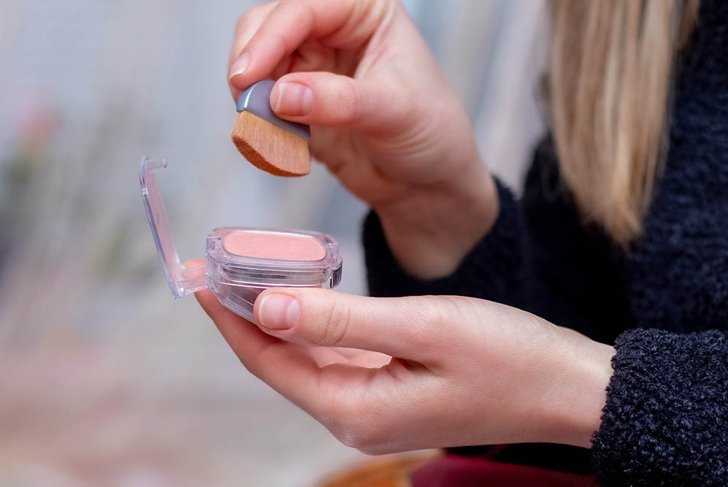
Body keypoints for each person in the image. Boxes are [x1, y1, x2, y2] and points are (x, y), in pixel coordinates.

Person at [195, 0, 728, 484]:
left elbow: (581, 381)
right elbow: (586, 338)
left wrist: (586, 393)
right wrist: (432, 207)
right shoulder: (625, 24)